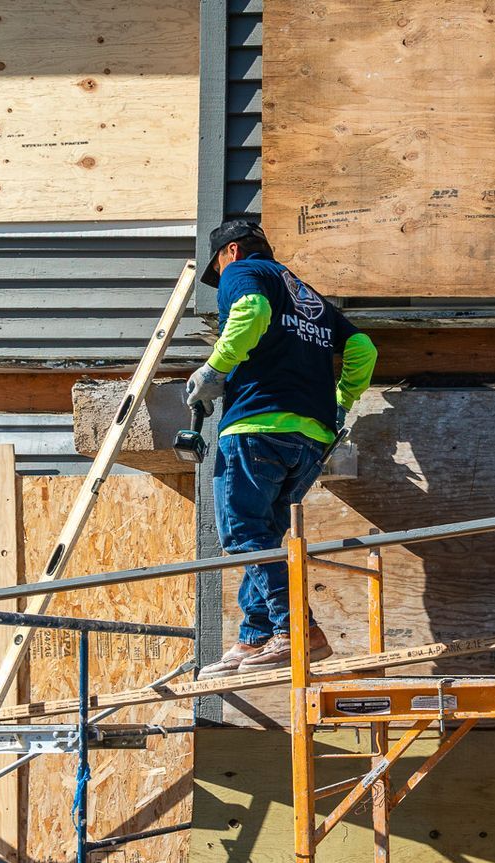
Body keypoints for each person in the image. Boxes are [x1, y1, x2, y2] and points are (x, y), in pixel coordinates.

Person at [186, 217, 377, 676]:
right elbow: (363, 348)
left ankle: (297, 631)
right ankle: (255, 640)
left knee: (243, 533)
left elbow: (250, 311)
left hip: (256, 425)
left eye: (217, 268)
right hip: (311, 438)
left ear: (229, 252)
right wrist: (341, 400)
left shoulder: (243, 272)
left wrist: (215, 369)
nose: (220, 281)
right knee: (266, 538)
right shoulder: (307, 294)